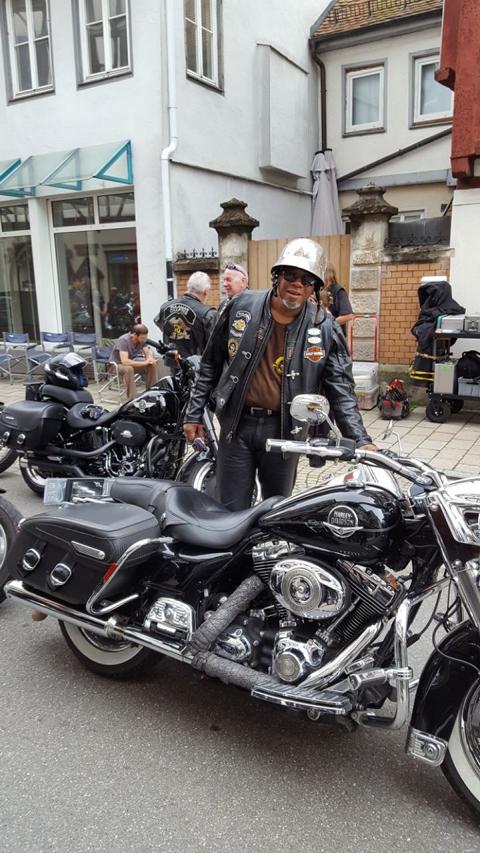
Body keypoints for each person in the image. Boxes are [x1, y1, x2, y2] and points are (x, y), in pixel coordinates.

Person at [183, 238, 376, 511]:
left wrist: (361, 440)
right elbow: (210, 364)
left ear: (315, 287)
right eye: (290, 275)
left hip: (286, 429)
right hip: (236, 425)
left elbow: (341, 389)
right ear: (277, 276)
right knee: (230, 510)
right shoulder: (240, 306)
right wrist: (193, 414)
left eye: (307, 280)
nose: (297, 284)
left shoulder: (324, 326)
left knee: (276, 510)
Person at [154, 271, 216, 358]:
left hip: (172, 362)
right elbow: (215, 343)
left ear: (189, 287)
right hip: (196, 364)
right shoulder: (208, 314)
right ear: (205, 291)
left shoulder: (165, 307)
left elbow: (159, 322)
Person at [111, 323, 159, 400]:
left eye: (145, 337)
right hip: (116, 365)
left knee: (151, 365)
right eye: (142, 338)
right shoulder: (123, 340)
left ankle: (152, 393)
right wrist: (145, 362)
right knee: (129, 369)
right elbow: (125, 361)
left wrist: (151, 360)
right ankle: (132, 398)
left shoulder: (142, 340)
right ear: (134, 335)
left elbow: (147, 353)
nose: (144, 340)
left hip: (130, 363)